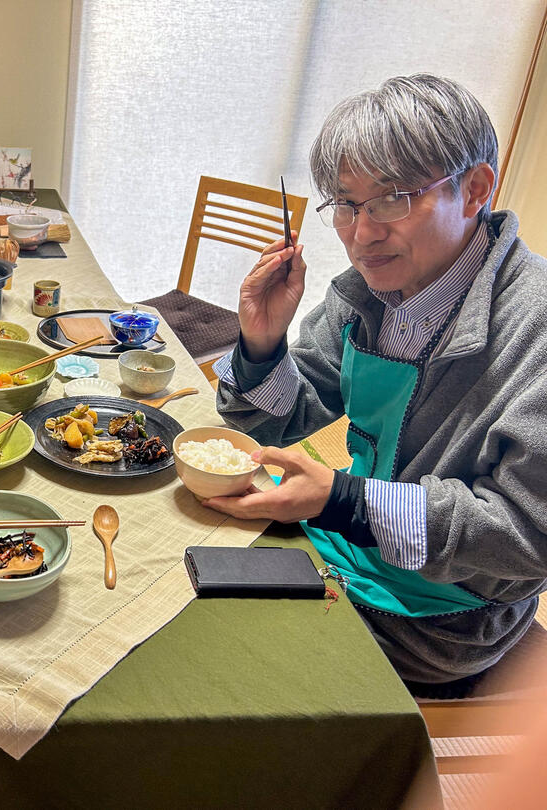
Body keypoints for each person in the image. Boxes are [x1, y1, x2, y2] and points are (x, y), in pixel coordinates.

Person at [205, 74, 547, 688]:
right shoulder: (365, 296)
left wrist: (346, 500)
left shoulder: (536, 331)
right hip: (343, 542)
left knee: (226, 672)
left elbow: (527, 535)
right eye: (346, 203)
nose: (362, 235)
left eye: (393, 199)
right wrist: (261, 344)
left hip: (441, 617)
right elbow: (296, 417)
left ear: (475, 190)